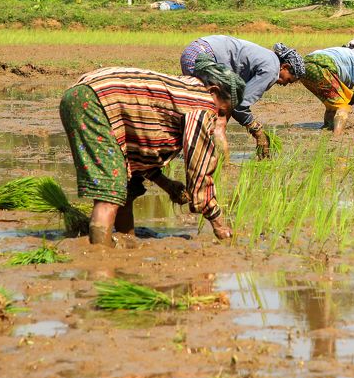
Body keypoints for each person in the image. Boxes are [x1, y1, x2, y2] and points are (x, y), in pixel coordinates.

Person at [58, 56, 244, 247]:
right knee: (109, 194)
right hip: (94, 101)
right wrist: (218, 222)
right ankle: (101, 261)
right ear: (213, 91)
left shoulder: (184, 91)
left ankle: (126, 242)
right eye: (221, 112)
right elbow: (199, 170)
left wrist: (166, 184)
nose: (219, 120)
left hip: (81, 95)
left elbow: (142, 147)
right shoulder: (202, 105)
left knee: (126, 187)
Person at [180, 36, 305, 157]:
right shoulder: (272, 70)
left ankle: (213, 157)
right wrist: (257, 131)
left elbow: (235, 102)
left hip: (196, 50)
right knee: (219, 120)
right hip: (202, 57)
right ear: (285, 67)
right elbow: (240, 105)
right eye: (288, 80)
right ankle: (222, 163)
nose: (284, 84)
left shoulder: (269, 59)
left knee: (219, 117)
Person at [300, 40, 354, 135]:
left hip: (304, 66)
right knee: (342, 106)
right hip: (323, 66)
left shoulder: (343, 54)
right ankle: (336, 136)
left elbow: (341, 89)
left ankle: (326, 129)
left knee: (332, 103)